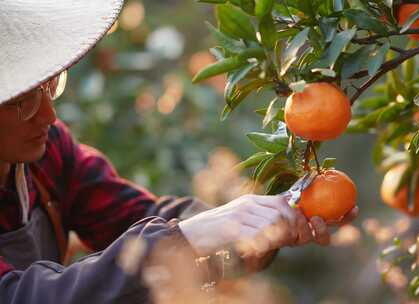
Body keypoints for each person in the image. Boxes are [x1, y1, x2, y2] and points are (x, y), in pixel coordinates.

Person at [0, 1, 359, 303]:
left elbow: (134, 218)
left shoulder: (48, 154)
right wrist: (187, 236)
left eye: (48, 87)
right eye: (23, 103)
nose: (49, 114)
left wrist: (251, 229)